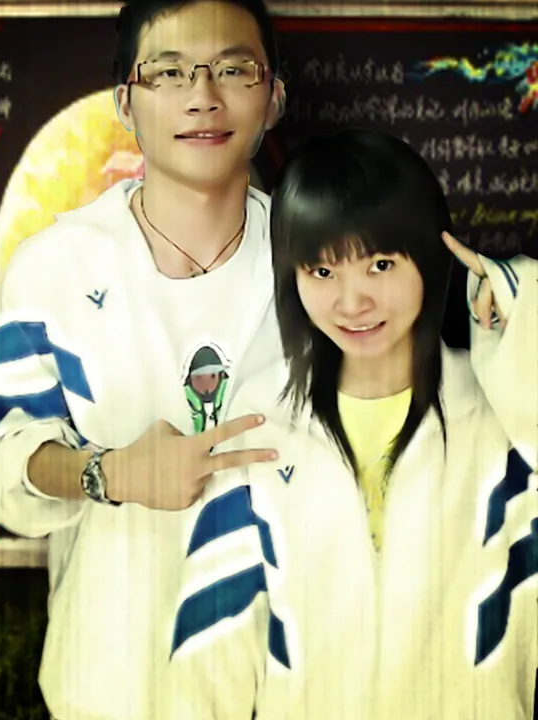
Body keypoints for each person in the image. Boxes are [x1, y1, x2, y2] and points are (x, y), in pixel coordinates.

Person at [0, 0, 287, 717]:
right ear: (126, 102)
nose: (203, 95)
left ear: (274, 97)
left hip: (296, 688)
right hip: (110, 685)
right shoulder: (57, 266)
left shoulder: (322, 265)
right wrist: (104, 473)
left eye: (234, 69)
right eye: (169, 72)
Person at [168, 128, 537, 719]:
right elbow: (211, 651)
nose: (351, 302)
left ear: (431, 255)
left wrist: (525, 301)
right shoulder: (260, 423)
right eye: (321, 272)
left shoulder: (502, 414)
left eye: (380, 264)